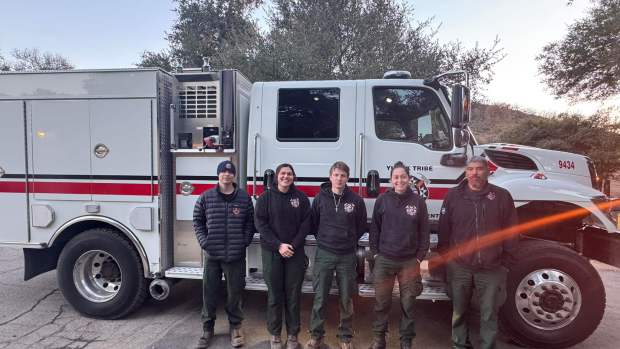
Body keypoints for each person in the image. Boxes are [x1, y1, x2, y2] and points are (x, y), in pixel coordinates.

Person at [437, 156, 518, 349]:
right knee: (459, 312)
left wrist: (506, 262)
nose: (474, 173)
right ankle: (459, 345)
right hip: (460, 266)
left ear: (487, 171)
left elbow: (512, 230)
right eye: (470, 169)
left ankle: (487, 345)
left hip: (492, 267)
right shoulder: (453, 196)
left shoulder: (501, 196)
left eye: (479, 169)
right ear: (465, 172)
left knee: (489, 313)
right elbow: (444, 229)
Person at [193, 160, 255, 349]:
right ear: (218, 174)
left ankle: (235, 327)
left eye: (230, 172)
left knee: (234, 293)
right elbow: (197, 221)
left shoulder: (244, 198)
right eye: (223, 172)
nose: (226, 175)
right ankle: (207, 329)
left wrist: (243, 242)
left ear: (234, 175)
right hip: (212, 255)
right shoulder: (206, 197)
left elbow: (250, 223)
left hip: (235, 256)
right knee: (209, 293)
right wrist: (205, 242)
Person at [368, 161, 430, 349]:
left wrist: (419, 257)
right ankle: (379, 338)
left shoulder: (418, 201)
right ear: (391, 179)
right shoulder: (382, 200)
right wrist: (376, 254)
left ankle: (406, 339)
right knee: (381, 302)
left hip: (409, 261)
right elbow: (374, 229)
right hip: (384, 260)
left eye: (403, 176)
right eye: (396, 177)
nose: (400, 180)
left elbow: (424, 232)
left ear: (409, 179)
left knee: (408, 303)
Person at [306, 161, 367, 349]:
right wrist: (325, 239)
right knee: (320, 297)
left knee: (346, 299)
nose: (339, 178)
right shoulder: (319, 199)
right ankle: (316, 336)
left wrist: (348, 240)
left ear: (347, 178)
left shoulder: (356, 200)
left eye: (343, 175)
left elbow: (361, 226)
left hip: (347, 256)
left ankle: (345, 337)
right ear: (330, 176)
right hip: (324, 253)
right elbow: (314, 224)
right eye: (336, 175)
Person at [255, 163, 312, 349]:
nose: (286, 177)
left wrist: (292, 246)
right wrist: (279, 245)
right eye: (282, 173)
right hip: (272, 252)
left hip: (295, 253)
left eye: (289, 174)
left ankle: (293, 335)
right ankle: (275, 335)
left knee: (293, 294)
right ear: (276, 176)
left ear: (293, 177)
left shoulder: (301, 198)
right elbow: (261, 225)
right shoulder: (265, 198)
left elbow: (306, 224)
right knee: (274, 295)